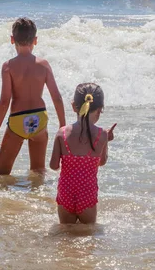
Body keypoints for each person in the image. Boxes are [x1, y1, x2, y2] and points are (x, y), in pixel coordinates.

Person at [0, 17, 66, 175]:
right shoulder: (44, 65)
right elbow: (57, 98)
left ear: (12, 39)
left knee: (2, 172)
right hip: (39, 119)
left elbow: (4, 101)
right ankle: (36, 198)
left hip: (18, 119)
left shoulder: (8, 66)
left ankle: (4, 199)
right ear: (35, 40)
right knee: (38, 171)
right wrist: (63, 126)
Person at [50, 83, 116, 224]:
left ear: (74, 106)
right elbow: (101, 162)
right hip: (87, 194)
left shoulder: (62, 133)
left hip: (65, 193)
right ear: (99, 110)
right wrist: (106, 142)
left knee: (65, 235)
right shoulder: (102, 134)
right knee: (88, 235)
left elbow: (53, 166)